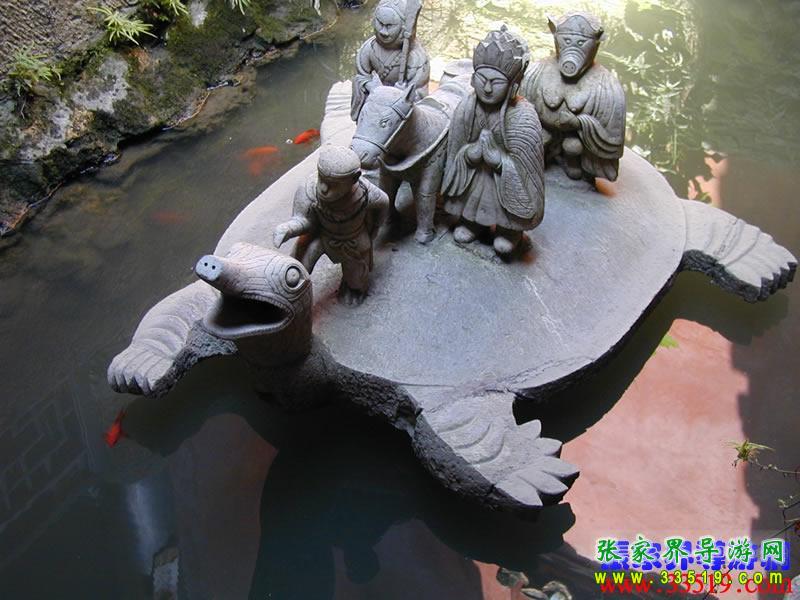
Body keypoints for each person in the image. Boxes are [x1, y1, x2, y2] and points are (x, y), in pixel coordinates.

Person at [441, 26, 545, 256]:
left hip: (504, 183)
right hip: (474, 177)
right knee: (466, 222)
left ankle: (510, 229)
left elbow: (529, 171)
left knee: (502, 246)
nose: (487, 88)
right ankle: (473, 222)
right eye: (482, 79)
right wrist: (470, 154)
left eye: (496, 82)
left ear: (512, 86)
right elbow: (455, 151)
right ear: (472, 78)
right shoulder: (467, 107)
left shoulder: (522, 116)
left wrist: (499, 161)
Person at [273, 145, 389, 305]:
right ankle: (288, 294)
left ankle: (353, 288)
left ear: (354, 179)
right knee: (296, 269)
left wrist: (375, 227)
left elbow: (383, 203)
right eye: (322, 179)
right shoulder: (309, 190)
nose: (323, 188)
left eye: (333, 184)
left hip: (353, 239)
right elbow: (303, 219)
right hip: (322, 236)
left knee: (357, 281)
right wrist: (288, 229)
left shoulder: (365, 193)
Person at [350, 0, 429, 121]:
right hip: (376, 98)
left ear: (403, 27)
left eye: (389, 26)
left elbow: (420, 93)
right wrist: (373, 88)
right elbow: (361, 78)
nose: (383, 32)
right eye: (380, 24)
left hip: (398, 108)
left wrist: (404, 94)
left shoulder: (415, 56)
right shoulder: (369, 48)